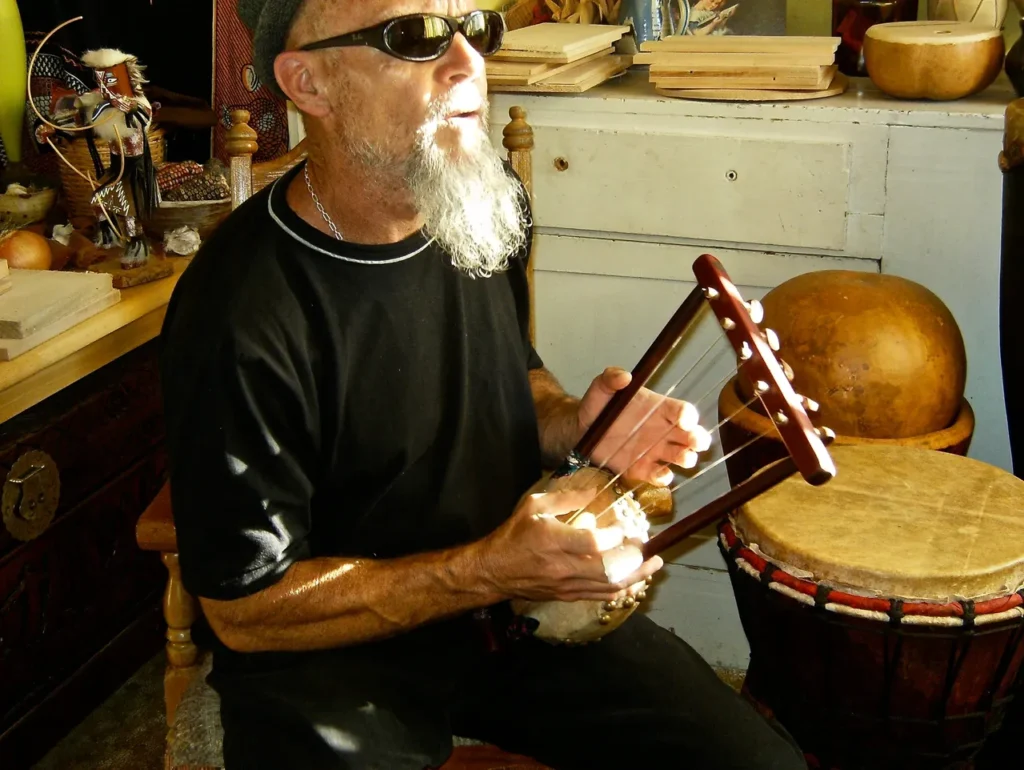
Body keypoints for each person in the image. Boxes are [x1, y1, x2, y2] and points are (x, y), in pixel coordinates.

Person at [158, 2, 808, 768]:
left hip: (510, 613)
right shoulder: (236, 312)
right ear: (310, 83)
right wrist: (487, 566)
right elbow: (245, 612)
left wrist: (578, 421)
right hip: (328, 652)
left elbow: (512, 379)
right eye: (416, 37)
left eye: (476, 28)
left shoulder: (478, 200)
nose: (470, 63)